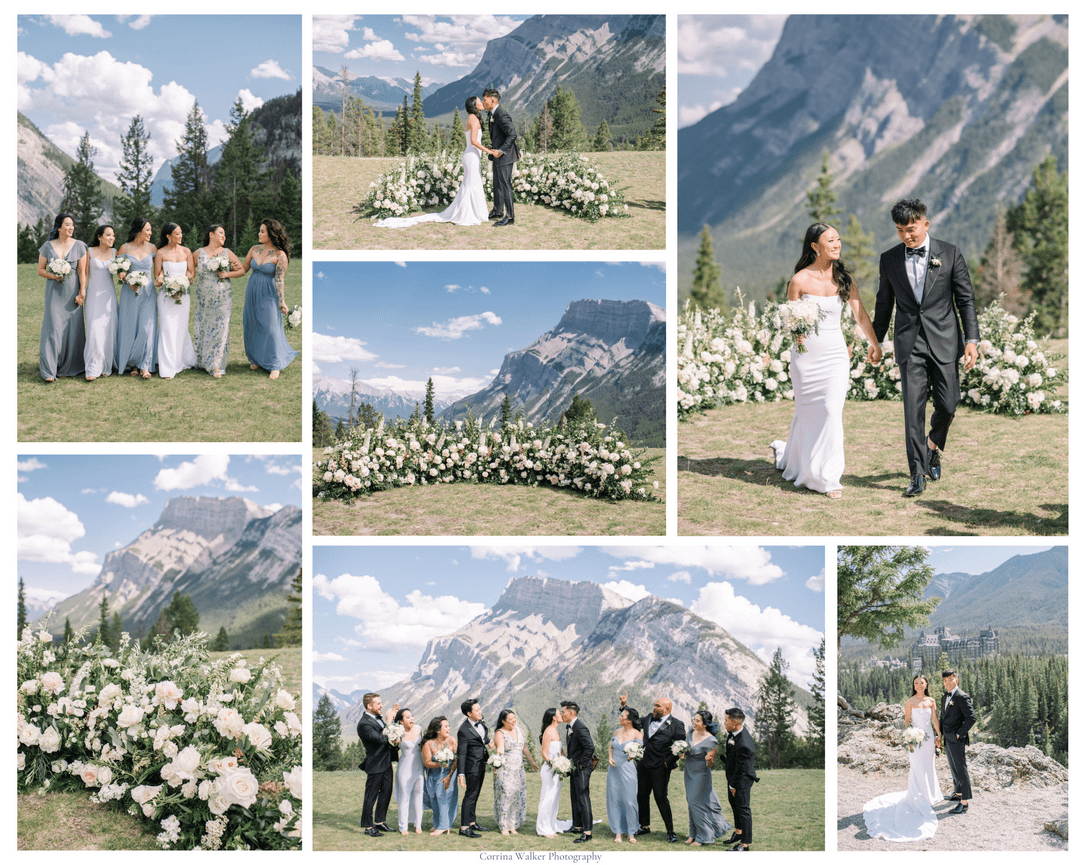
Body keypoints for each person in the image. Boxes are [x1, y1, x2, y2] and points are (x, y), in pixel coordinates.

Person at [871, 198, 979, 497]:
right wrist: (876, 340)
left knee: (949, 404)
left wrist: (972, 340)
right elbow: (884, 303)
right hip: (909, 343)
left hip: (945, 340)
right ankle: (916, 474)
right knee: (912, 413)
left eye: (911, 228)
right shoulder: (889, 259)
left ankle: (933, 446)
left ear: (925, 224)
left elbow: (965, 300)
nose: (907, 235)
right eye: (900, 230)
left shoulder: (951, 253)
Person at [771, 222, 882, 498]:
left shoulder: (845, 279)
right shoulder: (798, 281)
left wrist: (875, 344)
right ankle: (797, 462)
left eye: (838, 239)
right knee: (808, 414)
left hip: (835, 356)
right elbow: (792, 325)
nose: (837, 244)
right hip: (805, 360)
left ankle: (828, 478)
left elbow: (861, 315)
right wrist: (800, 344)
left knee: (832, 411)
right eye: (830, 240)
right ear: (814, 246)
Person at [374, 96, 497, 228]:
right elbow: (473, 141)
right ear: (474, 105)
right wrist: (488, 151)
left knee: (473, 183)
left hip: (473, 155)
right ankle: (467, 215)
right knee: (471, 185)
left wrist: (485, 148)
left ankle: (474, 213)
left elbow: (474, 141)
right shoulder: (473, 119)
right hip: (471, 156)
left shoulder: (473, 118)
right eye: (479, 101)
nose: (481, 103)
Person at [862, 674, 943, 841]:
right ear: (913, 686)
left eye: (921, 683)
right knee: (917, 767)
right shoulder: (910, 702)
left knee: (928, 766)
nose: (919, 685)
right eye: (916, 683)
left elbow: (934, 719)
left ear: (926, 684)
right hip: (916, 739)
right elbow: (907, 722)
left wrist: (939, 735)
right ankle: (916, 798)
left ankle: (928, 796)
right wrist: (910, 739)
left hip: (928, 738)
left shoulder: (931, 701)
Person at [618, 693, 684, 842]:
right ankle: (644, 826)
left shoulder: (677, 724)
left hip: (661, 766)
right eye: (654, 705)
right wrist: (624, 707)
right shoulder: (648, 718)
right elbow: (633, 721)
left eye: (657, 706)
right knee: (641, 796)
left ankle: (670, 831)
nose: (654, 707)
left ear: (666, 709)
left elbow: (680, 745)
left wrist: (668, 762)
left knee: (661, 797)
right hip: (643, 764)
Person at [240, 218, 298, 379]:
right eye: (259, 231)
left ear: (271, 233)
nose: (259, 233)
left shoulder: (280, 255)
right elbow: (243, 268)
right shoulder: (254, 249)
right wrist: (223, 268)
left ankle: (274, 364)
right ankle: (256, 359)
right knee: (252, 325)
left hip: (269, 294)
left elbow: (279, 279)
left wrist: (282, 302)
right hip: (252, 292)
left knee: (271, 327)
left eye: (262, 231)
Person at [37, 213, 87, 382]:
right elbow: (41, 270)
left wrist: (82, 292)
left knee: (72, 329)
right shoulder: (47, 246)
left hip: (72, 294)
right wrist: (54, 276)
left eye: (72, 225)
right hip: (54, 294)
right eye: (67, 225)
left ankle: (70, 366)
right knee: (53, 329)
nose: (71, 228)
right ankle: (49, 370)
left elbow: (82, 271)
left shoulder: (80, 246)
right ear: (59, 227)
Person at [193, 225, 244, 377]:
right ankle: (202, 361)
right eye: (221, 233)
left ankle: (216, 365)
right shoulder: (198, 253)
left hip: (223, 297)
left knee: (220, 328)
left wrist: (226, 274)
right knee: (203, 326)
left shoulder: (227, 252)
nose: (224, 236)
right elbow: (189, 271)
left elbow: (241, 270)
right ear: (211, 234)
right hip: (203, 297)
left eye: (224, 234)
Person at [115, 217, 158, 379]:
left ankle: (145, 365)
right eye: (147, 230)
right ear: (138, 231)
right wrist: (127, 280)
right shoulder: (124, 248)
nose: (150, 233)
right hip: (130, 292)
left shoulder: (153, 248)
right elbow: (120, 271)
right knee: (131, 326)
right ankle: (133, 363)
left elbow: (159, 269)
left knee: (147, 327)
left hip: (148, 293)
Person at [153, 223, 197, 379]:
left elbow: (191, 273)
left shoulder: (186, 251)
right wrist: (167, 284)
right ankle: (167, 366)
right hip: (166, 297)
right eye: (177, 234)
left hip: (183, 296)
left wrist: (184, 283)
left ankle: (182, 359)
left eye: (181, 233)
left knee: (181, 327)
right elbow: (158, 275)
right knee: (167, 329)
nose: (180, 236)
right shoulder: (160, 253)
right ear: (168, 236)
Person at [684, 710, 731, 845]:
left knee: (695, 802)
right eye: (694, 719)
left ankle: (704, 836)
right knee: (691, 802)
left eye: (698, 721)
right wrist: (682, 752)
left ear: (705, 724)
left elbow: (711, 764)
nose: (694, 722)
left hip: (701, 774)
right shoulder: (691, 731)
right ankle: (693, 834)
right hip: (689, 771)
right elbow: (688, 749)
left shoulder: (711, 740)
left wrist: (709, 759)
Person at [356, 693, 397, 837]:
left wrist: (393, 719)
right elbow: (381, 739)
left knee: (386, 792)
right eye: (378, 703)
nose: (381, 706)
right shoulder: (364, 724)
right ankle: (368, 826)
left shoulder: (378, 720)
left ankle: (379, 822)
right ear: (369, 706)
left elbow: (390, 734)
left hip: (386, 762)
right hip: (375, 764)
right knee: (371, 796)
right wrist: (389, 722)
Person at [492, 709, 537, 834]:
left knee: (517, 797)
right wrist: (496, 764)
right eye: (510, 719)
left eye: (514, 718)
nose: (513, 721)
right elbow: (500, 749)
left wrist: (532, 761)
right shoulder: (500, 733)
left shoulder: (518, 730)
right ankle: (503, 825)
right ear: (503, 721)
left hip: (518, 770)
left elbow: (524, 747)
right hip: (505, 770)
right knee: (505, 796)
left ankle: (512, 825)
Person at [83, 224, 119, 381]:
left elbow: (119, 272)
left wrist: (123, 274)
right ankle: (92, 367)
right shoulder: (89, 251)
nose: (112, 238)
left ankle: (106, 365)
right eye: (108, 235)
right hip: (94, 294)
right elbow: (84, 273)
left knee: (108, 329)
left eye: (113, 235)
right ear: (99, 237)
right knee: (94, 329)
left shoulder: (114, 252)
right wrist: (82, 291)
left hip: (109, 295)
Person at [939, 669, 975, 814]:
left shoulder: (962, 697)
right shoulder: (944, 697)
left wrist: (959, 734)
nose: (948, 683)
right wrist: (939, 735)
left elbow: (971, 718)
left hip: (957, 739)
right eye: (945, 681)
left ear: (956, 680)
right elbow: (943, 718)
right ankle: (958, 793)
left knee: (961, 769)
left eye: (950, 680)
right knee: (953, 768)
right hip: (947, 738)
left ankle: (964, 802)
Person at [723, 707, 759, 851]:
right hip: (733, 776)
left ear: (735, 722)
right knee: (734, 805)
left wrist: (733, 785)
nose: (724, 723)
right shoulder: (732, 733)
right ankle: (738, 833)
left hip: (742, 779)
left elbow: (742, 769)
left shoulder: (744, 743)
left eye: (726, 720)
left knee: (743, 810)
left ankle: (744, 844)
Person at [483, 88, 519, 227]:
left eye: (485, 99)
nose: (483, 102)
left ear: (492, 100)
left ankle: (510, 217)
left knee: (505, 186)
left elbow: (512, 134)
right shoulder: (492, 114)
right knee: (497, 184)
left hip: (505, 156)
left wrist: (501, 150)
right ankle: (498, 210)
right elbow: (500, 135)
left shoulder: (501, 114)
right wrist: (493, 147)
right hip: (497, 154)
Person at [606, 706, 642, 843]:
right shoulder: (617, 731)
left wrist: (631, 756)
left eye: (622, 716)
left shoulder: (637, 734)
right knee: (615, 800)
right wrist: (610, 758)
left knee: (629, 800)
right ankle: (618, 832)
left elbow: (638, 752)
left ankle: (631, 832)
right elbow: (611, 747)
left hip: (627, 770)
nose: (620, 718)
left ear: (629, 720)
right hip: (613, 771)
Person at [536, 707, 574, 837]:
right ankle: (543, 828)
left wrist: (564, 765)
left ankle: (551, 825)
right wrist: (553, 765)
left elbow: (561, 751)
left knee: (554, 799)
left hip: (557, 771)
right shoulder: (548, 731)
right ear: (554, 717)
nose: (561, 715)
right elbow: (544, 753)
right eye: (559, 713)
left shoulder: (556, 732)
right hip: (549, 770)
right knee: (547, 798)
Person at [456, 698, 490, 837]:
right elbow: (462, 753)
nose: (480, 711)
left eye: (479, 708)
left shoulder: (480, 723)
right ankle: (464, 828)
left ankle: (472, 822)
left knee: (475, 795)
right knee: (470, 796)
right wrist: (461, 774)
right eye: (477, 710)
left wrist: (490, 742)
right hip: (471, 768)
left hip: (481, 764)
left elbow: (482, 739)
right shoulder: (464, 730)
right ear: (469, 713)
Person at [562, 700, 595, 843]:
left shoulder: (580, 728)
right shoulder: (570, 726)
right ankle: (577, 826)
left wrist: (581, 764)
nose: (562, 714)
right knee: (575, 796)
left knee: (582, 797)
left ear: (571, 713)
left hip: (582, 768)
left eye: (563, 712)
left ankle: (587, 832)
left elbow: (590, 747)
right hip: (574, 767)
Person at [421, 716, 459, 836]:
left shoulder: (452, 741)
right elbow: (427, 763)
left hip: (449, 774)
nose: (449, 728)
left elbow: (457, 759)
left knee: (443, 797)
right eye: (446, 726)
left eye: (448, 726)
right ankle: (438, 824)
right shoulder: (428, 744)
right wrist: (439, 763)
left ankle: (443, 826)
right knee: (434, 799)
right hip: (434, 775)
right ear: (438, 730)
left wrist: (449, 776)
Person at [392, 708, 424, 835]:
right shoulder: (398, 733)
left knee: (418, 795)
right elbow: (393, 742)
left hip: (418, 767)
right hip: (405, 768)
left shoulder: (419, 728)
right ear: (401, 721)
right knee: (404, 797)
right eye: (407, 717)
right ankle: (403, 826)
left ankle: (418, 825)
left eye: (411, 716)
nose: (411, 719)